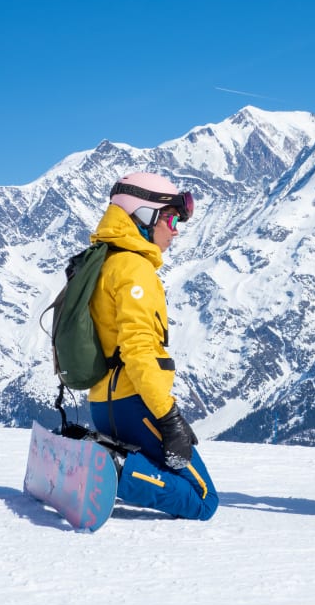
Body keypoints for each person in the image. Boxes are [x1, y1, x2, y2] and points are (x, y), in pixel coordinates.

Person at [87, 171, 218, 521]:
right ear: (144, 216)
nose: (176, 229)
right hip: (134, 402)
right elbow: (139, 352)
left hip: (103, 402)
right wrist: (169, 418)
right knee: (203, 500)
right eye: (172, 218)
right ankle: (112, 470)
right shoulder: (135, 270)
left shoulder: (106, 262)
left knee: (172, 477)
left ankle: (99, 455)